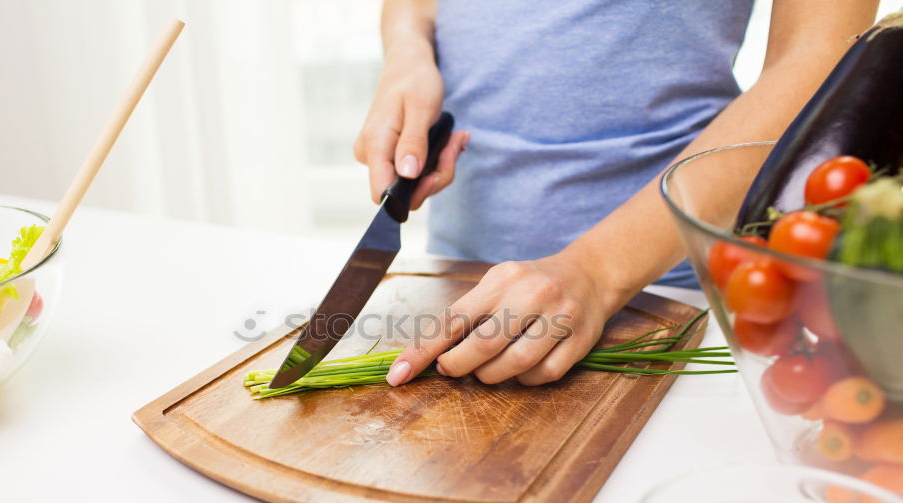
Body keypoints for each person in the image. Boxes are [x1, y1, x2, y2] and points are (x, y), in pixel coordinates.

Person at [354, 0, 878, 388]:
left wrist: (597, 272)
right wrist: (408, 51)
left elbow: (817, 63)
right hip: (456, 284)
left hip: (660, 307)